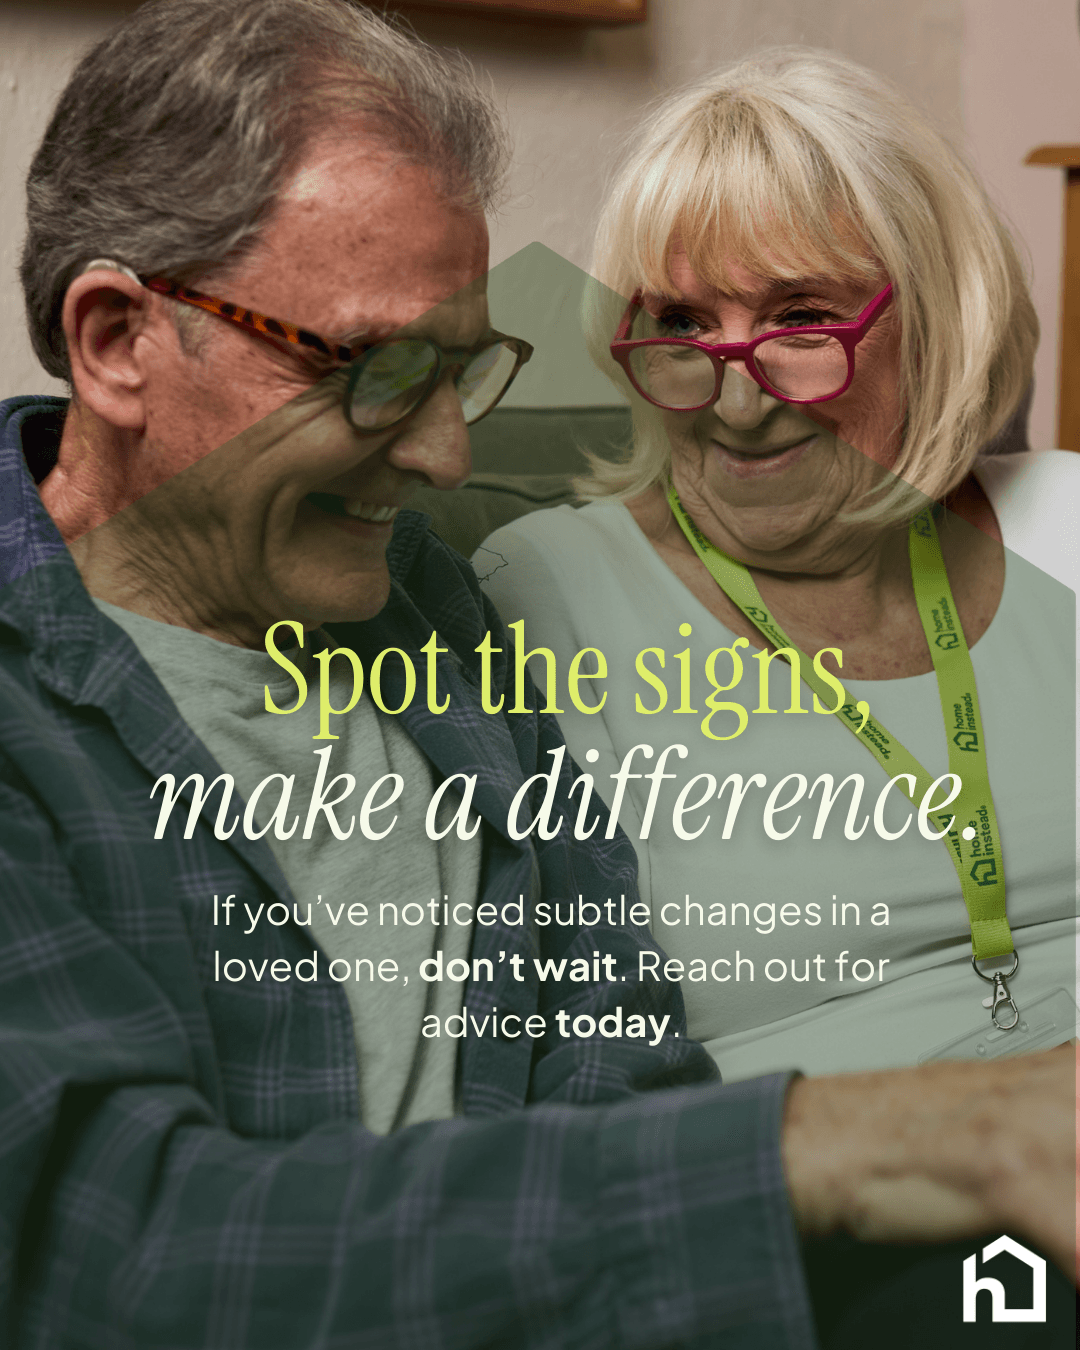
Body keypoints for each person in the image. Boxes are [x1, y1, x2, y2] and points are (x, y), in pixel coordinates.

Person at [0, 7, 1074, 1347]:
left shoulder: (423, 614)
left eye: (460, 372)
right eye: (383, 370)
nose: (448, 459)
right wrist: (867, 1139)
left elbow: (623, 1071)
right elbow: (112, 1251)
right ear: (115, 341)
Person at [476, 49, 1079, 1086]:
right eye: (681, 324)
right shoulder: (544, 595)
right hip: (862, 1201)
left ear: (936, 321)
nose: (735, 399)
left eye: (802, 317)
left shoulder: (1059, 518)